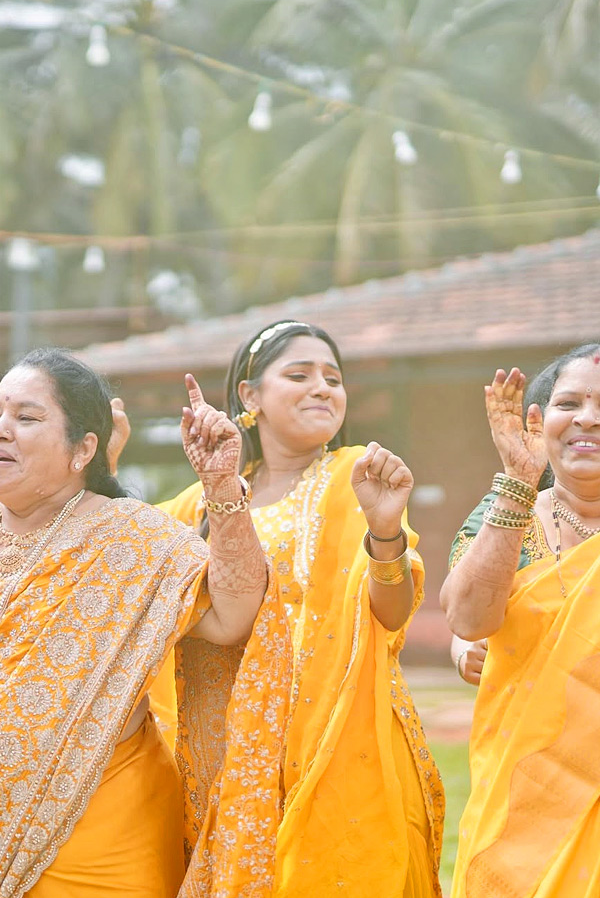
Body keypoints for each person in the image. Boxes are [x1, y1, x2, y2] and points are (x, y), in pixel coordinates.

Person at [148, 320, 445, 897]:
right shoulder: (195, 501)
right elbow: (136, 575)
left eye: (333, 378)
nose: (323, 388)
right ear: (250, 397)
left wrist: (385, 530)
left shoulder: (352, 477)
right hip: (223, 751)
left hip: (331, 745)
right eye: (300, 374)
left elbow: (391, 613)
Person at [0, 348, 289, 898]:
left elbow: (234, 615)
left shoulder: (132, 539)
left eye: (27, 417)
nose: (3, 430)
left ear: (84, 448)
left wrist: (223, 488)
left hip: (102, 832)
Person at [440, 343, 600, 898]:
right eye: (569, 403)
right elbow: (467, 617)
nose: (588, 418)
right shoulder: (506, 514)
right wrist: (518, 480)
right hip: (524, 792)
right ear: (539, 420)